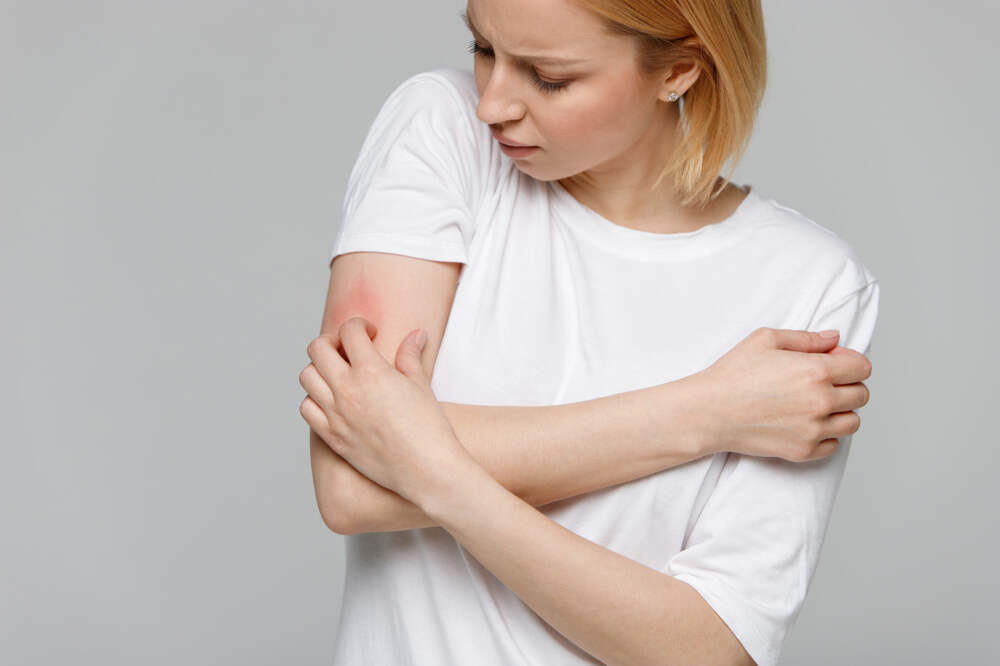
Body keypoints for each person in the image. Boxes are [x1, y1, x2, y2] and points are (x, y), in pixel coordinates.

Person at [298, 1, 879, 665]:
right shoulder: (443, 128)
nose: (491, 105)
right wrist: (705, 413)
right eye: (483, 49)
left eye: (550, 78)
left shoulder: (811, 282)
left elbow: (712, 650)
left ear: (679, 71)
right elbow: (350, 484)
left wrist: (435, 474)